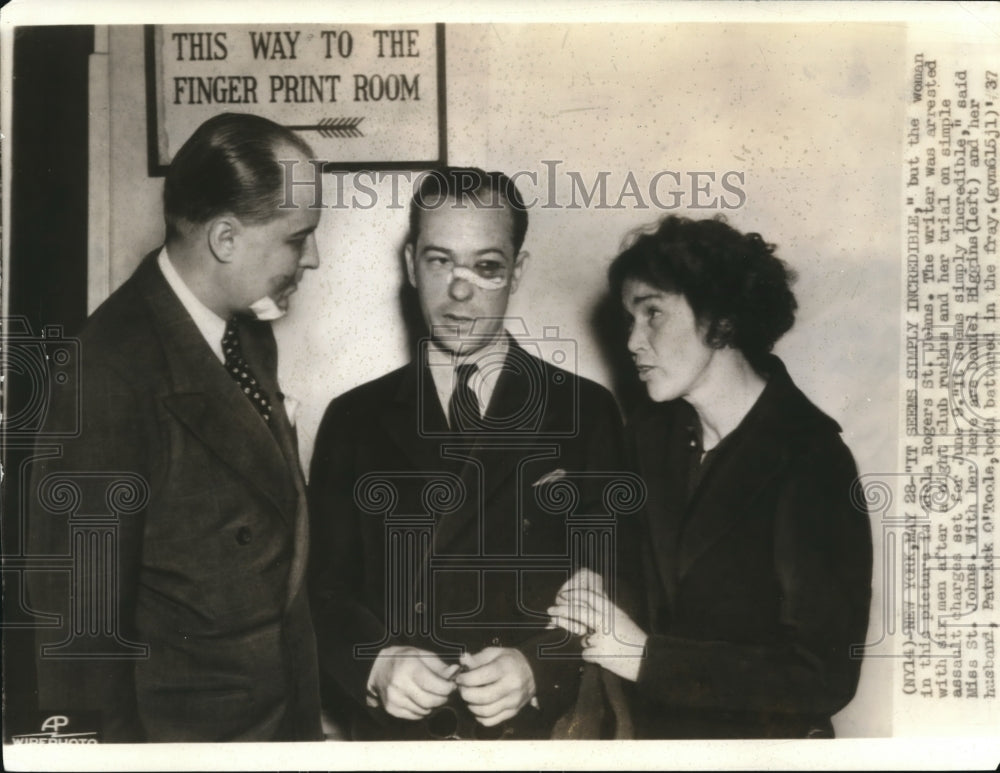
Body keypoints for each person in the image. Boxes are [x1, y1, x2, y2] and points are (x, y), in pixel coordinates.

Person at [27, 113, 324, 742]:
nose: (314, 258)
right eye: (299, 238)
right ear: (225, 238)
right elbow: (77, 644)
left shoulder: (247, 334)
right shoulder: (103, 373)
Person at [308, 167, 626, 740]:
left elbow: (618, 580)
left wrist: (538, 667)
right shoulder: (352, 418)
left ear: (517, 271)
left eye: (486, 266)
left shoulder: (585, 412)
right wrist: (373, 663)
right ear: (409, 265)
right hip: (397, 741)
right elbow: (318, 590)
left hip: (533, 739)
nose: (460, 292)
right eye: (439, 261)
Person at [548, 214, 873, 738]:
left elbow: (824, 675)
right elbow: (632, 564)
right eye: (629, 318)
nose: (632, 340)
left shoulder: (811, 460)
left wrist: (645, 659)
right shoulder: (650, 440)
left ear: (721, 320)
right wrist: (597, 581)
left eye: (652, 313)